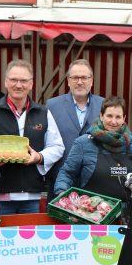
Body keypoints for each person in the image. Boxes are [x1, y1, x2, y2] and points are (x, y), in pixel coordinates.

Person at [54, 96, 132, 265]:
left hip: (123, 216)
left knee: (115, 264)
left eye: (118, 117)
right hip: (89, 216)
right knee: (88, 263)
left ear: (124, 119)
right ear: (101, 116)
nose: (113, 121)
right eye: (109, 116)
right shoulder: (84, 143)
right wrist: (62, 195)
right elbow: (67, 172)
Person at [0, 60, 64, 214]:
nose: (18, 85)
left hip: (32, 196)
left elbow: (58, 146)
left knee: (29, 231)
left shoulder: (43, 113)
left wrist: (39, 157)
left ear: (31, 84)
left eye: (24, 81)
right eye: (14, 80)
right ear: (6, 82)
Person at [46, 59, 104, 201]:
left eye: (84, 77)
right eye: (75, 77)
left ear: (91, 80)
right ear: (68, 81)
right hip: (59, 183)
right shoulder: (52, 105)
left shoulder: (104, 105)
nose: (79, 82)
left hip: (95, 185)